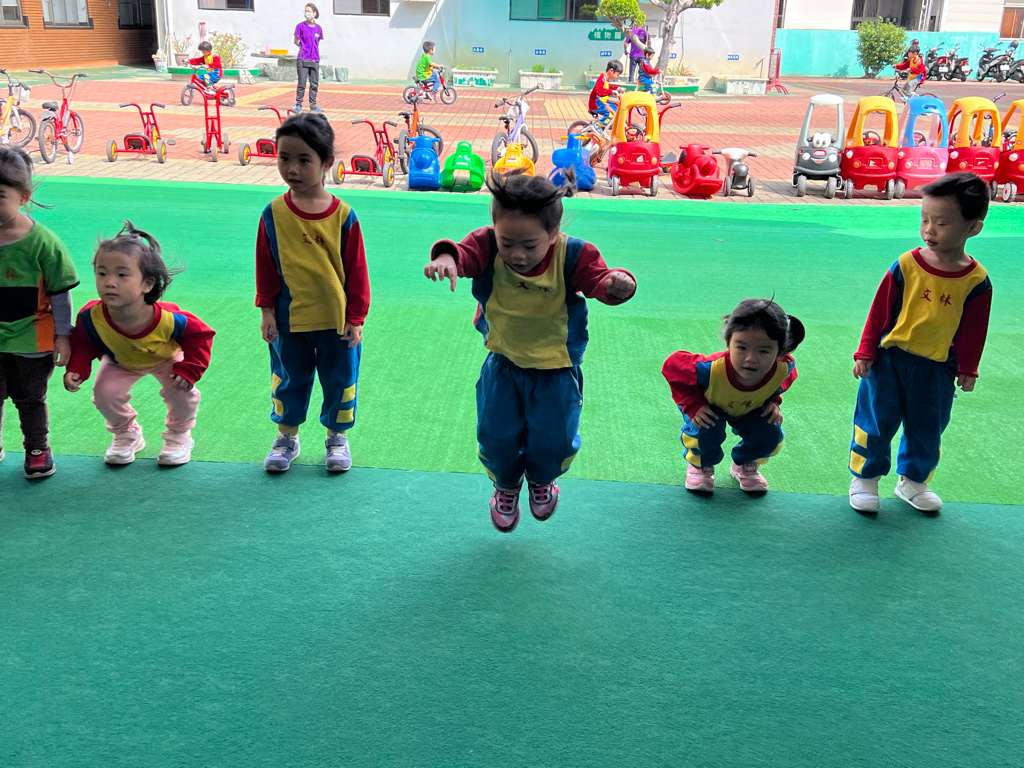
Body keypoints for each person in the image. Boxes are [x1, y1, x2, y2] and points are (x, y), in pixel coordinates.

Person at [423, 172, 637, 533]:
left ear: (553, 234)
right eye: (507, 243)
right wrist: (447, 257)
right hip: (503, 363)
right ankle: (506, 485)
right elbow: (464, 253)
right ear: (494, 229)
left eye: (529, 245)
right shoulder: (488, 245)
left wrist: (616, 284)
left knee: (554, 440)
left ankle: (542, 479)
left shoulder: (572, 254)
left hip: (556, 369)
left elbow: (599, 280)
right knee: (495, 435)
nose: (517, 254)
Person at [848, 172, 992, 516]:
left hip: (937, 369)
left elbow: (973, 330)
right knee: (876, 421)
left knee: (928, 427)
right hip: (889, 362)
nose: (929, 230)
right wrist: (866, 351)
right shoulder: (906, 265)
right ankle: (865, 478)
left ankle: (913, 480)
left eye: (941, 223)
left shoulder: (977, 281)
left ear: (973, 228)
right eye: (924, 219)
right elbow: (880, 311)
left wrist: (968, 368)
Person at [256, 112, 370, 473]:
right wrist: (267, 311)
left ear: (326, 163)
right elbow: (266, 266)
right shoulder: (273, 214)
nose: (292, 169)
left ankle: (337, 437)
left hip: (337, 323)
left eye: (304, 160)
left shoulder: (344, 215)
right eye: (284, 158)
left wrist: (356, 318)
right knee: (289, 379)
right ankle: (286, 437)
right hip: (290, 321)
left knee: (340, 381)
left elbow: (357, 271)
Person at [63, 222, 215, 467]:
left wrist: (189, 369)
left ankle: (179, 435)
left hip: (165, 359)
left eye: (122, 275)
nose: (110, 282)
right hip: (120, 361)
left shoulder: (169, 319)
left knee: (182, 392)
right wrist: (78, 368)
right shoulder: (91, 316)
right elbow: (83, 342)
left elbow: (201, 336)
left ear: (147, 284)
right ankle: (126, 433)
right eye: (102, 274)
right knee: (104, 394)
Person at [662, 299, 804, 495]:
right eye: (742, 348)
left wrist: (773, 402)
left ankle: (745, 463)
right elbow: (672, 366)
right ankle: (701, 465)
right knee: (706, 429)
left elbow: (778, 386)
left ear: (780, 351)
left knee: (770, 431)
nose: (751, 359)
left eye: (764, 351)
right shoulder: (710, 369)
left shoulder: (783, 368)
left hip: (750, 407)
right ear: (728, 342)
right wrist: (693, 405)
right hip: (708, 406)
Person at [0, 147, 78, 480]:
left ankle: (37, 449)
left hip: (32, 339)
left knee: (30, 398)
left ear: (24, 197)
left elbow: (61, 293)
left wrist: (63, 335)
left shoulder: (44, 242)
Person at [294, 3, 324, 112]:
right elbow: (296, 41)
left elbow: (317, 43)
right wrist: (303, 48)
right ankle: (298, 105)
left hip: (314, 59)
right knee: (302, 83)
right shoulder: (300, 26)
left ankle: (313, 105)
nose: (307, 13)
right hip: (303, 58)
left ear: (315, 13)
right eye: (305, 11)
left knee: (314, 83)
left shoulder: (318, 28)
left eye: (309, 11)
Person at [588, 60, 623, 128]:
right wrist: (612, 91)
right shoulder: (602, 79)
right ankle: (598, 126)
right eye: (617, 74)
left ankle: (606, 126)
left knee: (615, 108)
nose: (617, 77)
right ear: (611, 71)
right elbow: (599, 91)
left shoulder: (605, 78)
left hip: (601, 102)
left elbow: (607, 86)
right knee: (610, 113)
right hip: (596, 104)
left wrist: (617, 88)